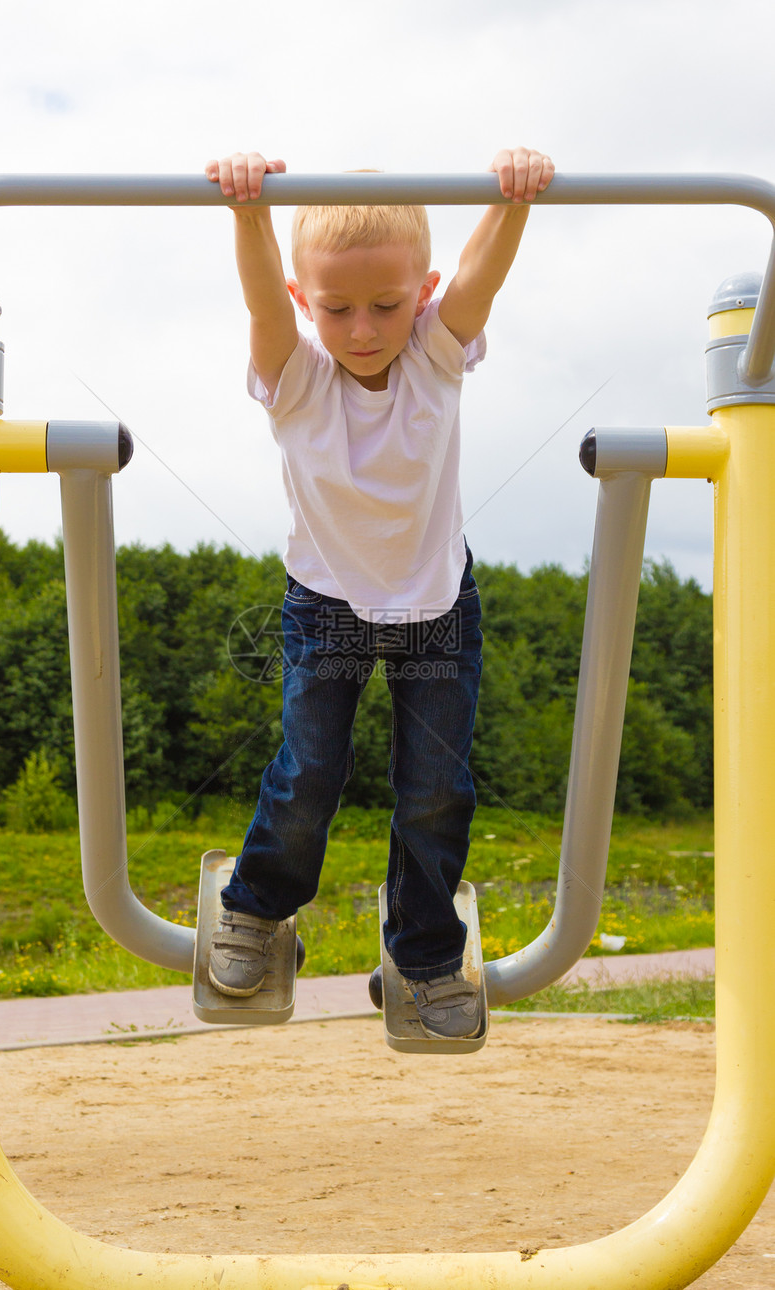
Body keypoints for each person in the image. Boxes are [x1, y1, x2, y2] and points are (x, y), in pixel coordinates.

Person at [204, 147, 554, 1038]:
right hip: (326, 604)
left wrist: (512, 199)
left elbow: (483, 276)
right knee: (309, 770)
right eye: (337, 307)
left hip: (438, 603)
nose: (362, 328)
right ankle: (258, 904)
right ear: (302, 299)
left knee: (436, 788)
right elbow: (256, 299)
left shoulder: (437, 354)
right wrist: (248, 213)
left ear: (423, 294)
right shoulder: (297, 379)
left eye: (387, 305)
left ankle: (425, 951)